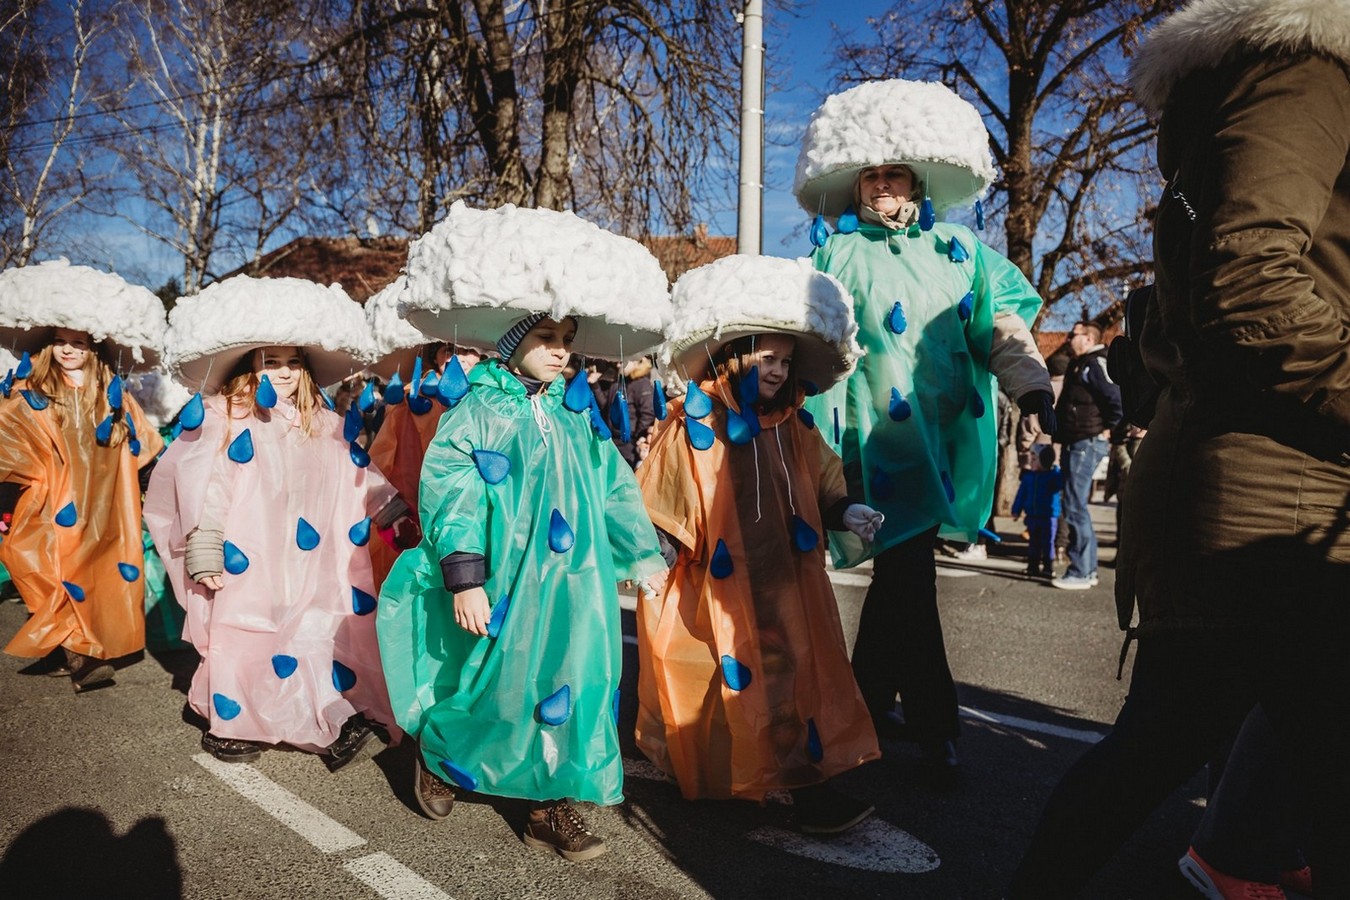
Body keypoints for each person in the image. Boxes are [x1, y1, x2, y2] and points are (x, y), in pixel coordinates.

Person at [1008, 0, 1350, 894]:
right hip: (1275, 488)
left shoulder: (1271, 88)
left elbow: (1212, 289)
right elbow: (1249, 279)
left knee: (1165, 744)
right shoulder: (1313, 72)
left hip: (1275, 475)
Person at [376, 202, 671, 861]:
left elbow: (611, 481)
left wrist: (641, 554)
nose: (562, 348)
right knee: (496, 683)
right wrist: (465, 575)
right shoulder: (481, 409)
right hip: (505, 585)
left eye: (569, 334)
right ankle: (442, 748)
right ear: (512, 343)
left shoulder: (575, 413)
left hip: (573, 586)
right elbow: (449, 488)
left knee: (571, 682)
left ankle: (548, 803)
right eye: (546, 336)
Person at [793, 79, 1056, 777]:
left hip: (939, 443)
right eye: (871, 175)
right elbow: (800, 337)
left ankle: (870, 713)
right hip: (868, 448)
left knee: (903, 579)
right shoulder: (831, 256)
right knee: (907, 574)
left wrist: (1032, 389)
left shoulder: (961, 250)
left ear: (916, 181)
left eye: (894, 174)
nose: (882, 186)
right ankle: (926, 725)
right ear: (856, 183)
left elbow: (1001, 325)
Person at [635, 255, 882, 833]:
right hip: (715, 588)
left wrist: (849, 510)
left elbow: (822, 484)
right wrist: (651, 560)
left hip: (786, 583)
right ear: (738, 353)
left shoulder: (796, 424)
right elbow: (668, 501)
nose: (777, 371)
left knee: (796, 680)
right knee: (720, 678)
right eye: (768, 358)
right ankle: (727, 775)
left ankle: (808, 788)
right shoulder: (694, 425)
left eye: (786, 361)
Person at [144, 275, 414, 770]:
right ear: (251, 365)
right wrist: (206, 547)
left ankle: (313, 709)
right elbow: (207, 483)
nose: (285, 372)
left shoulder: (323, 422)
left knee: (313, 624)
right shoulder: (226, 416)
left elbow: (356, 471)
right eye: (273, 361)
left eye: (294, 362)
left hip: (312, 555)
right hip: (249, 552)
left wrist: (390, 513)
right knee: (248, 629)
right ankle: (238, 717)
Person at [0, 260, 166, 691]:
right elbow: (9, 441)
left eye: (78, 342)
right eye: (60, 341)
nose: (68, 350)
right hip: (47, 502)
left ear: (95, 348)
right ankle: (75, 649)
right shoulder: (29, 392)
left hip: (106, 507)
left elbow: (142, 446)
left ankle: (76, 650)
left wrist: (151, 488)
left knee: (95, 574)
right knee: (44, 569)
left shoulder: (112, 398)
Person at [1048, 321, 1122, 590]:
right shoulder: (1081, 363)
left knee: (1075, 505)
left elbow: (1116, 399)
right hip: (1076, 441)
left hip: (1085, 442)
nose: (1069, 338)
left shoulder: (1094, 364)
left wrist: (1108, 430)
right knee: (1074, 504)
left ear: (1089, 339)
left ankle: (1081, 569)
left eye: (1074, 334)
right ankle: (1085, 569)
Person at [1012, 446, 1063, 579]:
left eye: (1034, 459)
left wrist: (1056, 469)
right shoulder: (1029, 477)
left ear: (1044, 460)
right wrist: (1016, 510)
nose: (1031, 461)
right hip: (1032, 515)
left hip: (1049, 516)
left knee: (1048, 542)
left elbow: (1062, 483)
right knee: (1033, 542)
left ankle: (1048, 567)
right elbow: (1021, 494)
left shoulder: (1053, 476)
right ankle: (1032, 566)